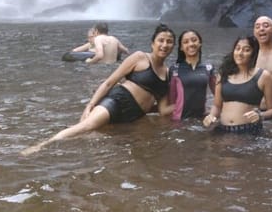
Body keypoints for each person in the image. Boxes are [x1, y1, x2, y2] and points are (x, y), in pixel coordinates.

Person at [21, 24, 176, 155]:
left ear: (173, 46)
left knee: (96, 140)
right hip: (118, 101)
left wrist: (188, 103)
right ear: (153, 43)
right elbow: (109, 83)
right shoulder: (140, 57)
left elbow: (162, 109)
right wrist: (90, 105)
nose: (164, 45)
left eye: (169, 42)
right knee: (86, 126)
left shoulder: (168, 73)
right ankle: (42, 145)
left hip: (133, 115)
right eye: (160, 40)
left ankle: (63, 157)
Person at [203, 36, 272, 134]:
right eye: (237, 49)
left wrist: (261, 116)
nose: (240, 53)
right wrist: (211, 116)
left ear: (253, 53)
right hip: (223, 129)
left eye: (246, 50)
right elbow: (217, 106)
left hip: (249, 130)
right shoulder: (223, 74)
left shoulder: (263, 76)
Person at [169, 29, 216, 121]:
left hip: (201, 120)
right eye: (186, 42)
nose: (191, 44)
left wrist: (213, 112)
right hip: (179, 121)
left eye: (194, 40)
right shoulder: (174, 69)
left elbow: (218, 95)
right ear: (181, 47)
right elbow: (171, 99)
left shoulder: (208, 68)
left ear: (200, 43)